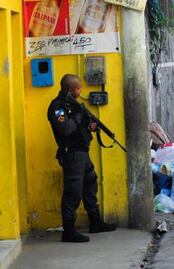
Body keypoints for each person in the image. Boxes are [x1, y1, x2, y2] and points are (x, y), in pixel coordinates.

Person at [47, 74, 117, 243]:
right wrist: (80, 116)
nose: (81, 91)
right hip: (71, 154)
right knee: (73, 191)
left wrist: (89, 125)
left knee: (90, 183)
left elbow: (79, 128)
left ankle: (95, 221)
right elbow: (65, 128)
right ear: (71, 90)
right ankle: (69, 231)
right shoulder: (58, 107)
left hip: (82, 153)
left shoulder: (74, 105)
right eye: (78, 88)